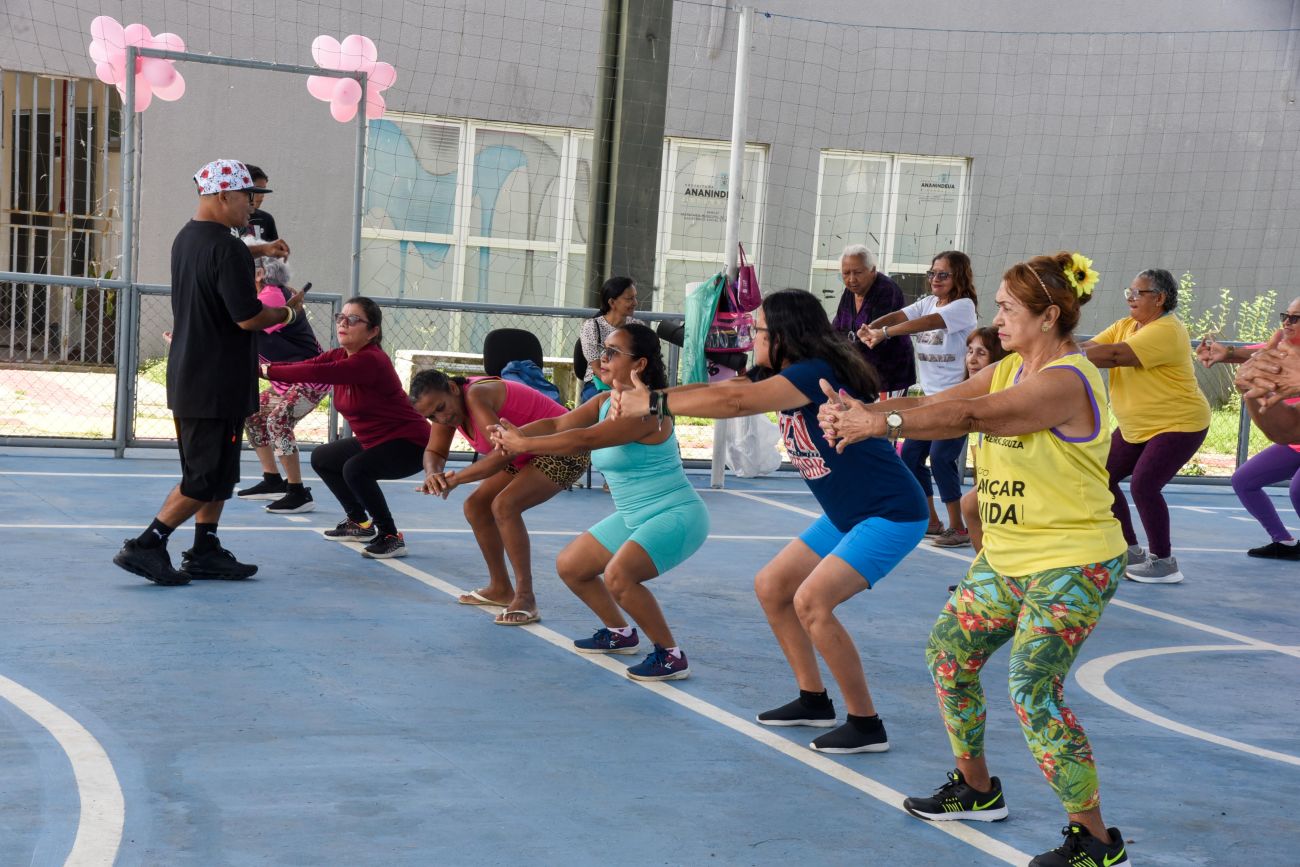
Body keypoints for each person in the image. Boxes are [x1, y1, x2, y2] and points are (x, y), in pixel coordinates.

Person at [819, 251, 1130, 867]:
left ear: (1048, 317)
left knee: (1032, 687)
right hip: (1008, 559)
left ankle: (1096, 842)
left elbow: (968, 415)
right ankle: (977, 789)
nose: (998, 316)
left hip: (1073, 562)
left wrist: (881, 428)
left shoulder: (1067, 379)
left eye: (1009, 308)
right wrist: (865, 411)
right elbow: (946, 400)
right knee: (949, 654)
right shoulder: (1010, 367)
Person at [614, 289, 928, 752]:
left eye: (758, 329)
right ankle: (813, 700)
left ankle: (866, 724)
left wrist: (656, 404)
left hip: (891, 512)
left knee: (812, 602)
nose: (752, 336)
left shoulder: (813, 373)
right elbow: (725, 391)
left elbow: (738, 404)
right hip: (848, 514)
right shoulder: (784, 375)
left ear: (783, 335)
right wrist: (651, 396)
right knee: (772, 586)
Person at [112, 159, 304, 585]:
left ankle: (205, 549)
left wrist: (261, 250)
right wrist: (289, 313)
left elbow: (223, 257)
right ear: (223, 195)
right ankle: (146, 544)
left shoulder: (190, 237)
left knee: (219, 474)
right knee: (204, 477)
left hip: (197, 377)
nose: (252, 206)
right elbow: (248, 317)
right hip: (215, 381)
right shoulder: (227, 247)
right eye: (247, 196)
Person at [490, 323, 708, 680]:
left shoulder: (648, 411)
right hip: (634, 514)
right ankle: (620, 633)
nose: (601, 358)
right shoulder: (606, 401)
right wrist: (512, 434)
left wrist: (524, 446)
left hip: (675, 514)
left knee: (621, 576)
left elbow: (585, 439)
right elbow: (558, 426)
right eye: (602, 350)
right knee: (572, 566)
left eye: (612, 352)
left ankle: (671, 655)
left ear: (639, 364)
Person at [409, 369, 589, 623]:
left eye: (440, 408)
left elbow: (502, 454)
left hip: (563, 447)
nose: (441, 417)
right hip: (523, 451)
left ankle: (525, 597)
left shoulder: (475, 395)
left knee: (505, 505)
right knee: (476, 506)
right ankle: (501, 588)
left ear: (453, 388)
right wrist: (432, 474)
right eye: (431, 416)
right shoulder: (447, 410)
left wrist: (456, 479)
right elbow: (435, 451)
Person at [264, 297, 430, 559]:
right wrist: (265, 369)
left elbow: (317, 374)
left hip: (410, 444)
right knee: (323, 458)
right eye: (341, 317)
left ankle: (390, 536)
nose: (343, 323)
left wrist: (268, 371)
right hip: (375, 441)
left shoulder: (370, 361)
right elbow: (309, 365)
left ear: (373, 331)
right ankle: (359, 523)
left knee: (355, 469)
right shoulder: (341, 354)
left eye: (353, 319)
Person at [1082, 268, 1210, 583]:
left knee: (1144, 485)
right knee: (1100, 477)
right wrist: (1051, 344)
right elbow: (1090, 348)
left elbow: (1114, 355)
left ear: (1160, 298)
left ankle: (1165, 562)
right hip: (1136, 427)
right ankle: (1129, 551)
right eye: (1129, 291)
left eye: (1138, 293)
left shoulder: (1166, 330)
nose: (1130, 298)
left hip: (1179, 423)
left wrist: (1056, 351)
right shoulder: (1126, 325)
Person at [860, 251, 979, 547]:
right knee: (911, 456)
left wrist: (885, 333)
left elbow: (926, 323)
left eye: (943, 274)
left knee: (941, 458)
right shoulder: (927, 301)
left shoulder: (963, 307)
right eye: (932, 273)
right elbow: (901, 315)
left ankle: (959, 527)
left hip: (956, 398)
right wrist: (872, 327)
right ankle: (933, 522)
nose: (935, 279)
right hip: (928, 399)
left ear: (959, 277)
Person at [1200, 300, 1300, 559]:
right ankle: (1284, 543)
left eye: (1295, 318)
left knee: (1298, 489)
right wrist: (1226, 353)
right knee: (1244, 481)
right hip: (1294, 440)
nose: (1287, 322)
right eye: (1286, 315)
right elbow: (1254, 354)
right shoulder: (1282, 347)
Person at [235, 257, 329, 514]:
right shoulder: (270, 294)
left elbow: (240, 327)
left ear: (259, 274)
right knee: (253, 413)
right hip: (285, 381)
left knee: (278, 421)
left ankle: (297, 492)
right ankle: (272, 480)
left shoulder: (272, 296)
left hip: (310, 379)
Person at [830, 245, 915, 395]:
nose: (851, 279)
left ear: (872, 270)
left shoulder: (887, 290)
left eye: (857, 272)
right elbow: (838, 327)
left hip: (889, 376)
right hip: (858, 373)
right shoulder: (851, 291)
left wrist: (838, 354)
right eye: (846, 273)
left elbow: (873, 338)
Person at [957, 327, 1009, 553]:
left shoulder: (1005, 398)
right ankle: (984, 565)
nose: (972, 359)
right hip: (997, 478)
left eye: (981, 353)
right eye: (970, 351)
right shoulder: (977, 397)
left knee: (971, 504)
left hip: (1020, 481)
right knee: (971, 505)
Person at [579, 276, 643, 403]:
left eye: (635, 297)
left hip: (630, 382)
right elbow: (597, 367)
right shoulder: (592, 327)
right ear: (612, 302)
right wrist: (618, 389)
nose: (635, 302)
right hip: (598, 383)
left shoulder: (637, 327)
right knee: (605, 402)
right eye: (629, 299)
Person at [239, 163, 279, 243]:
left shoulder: (266, 219)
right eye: (257, 190)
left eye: (263, 190)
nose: (262, 195)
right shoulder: (226, 219)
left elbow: (274, 249)